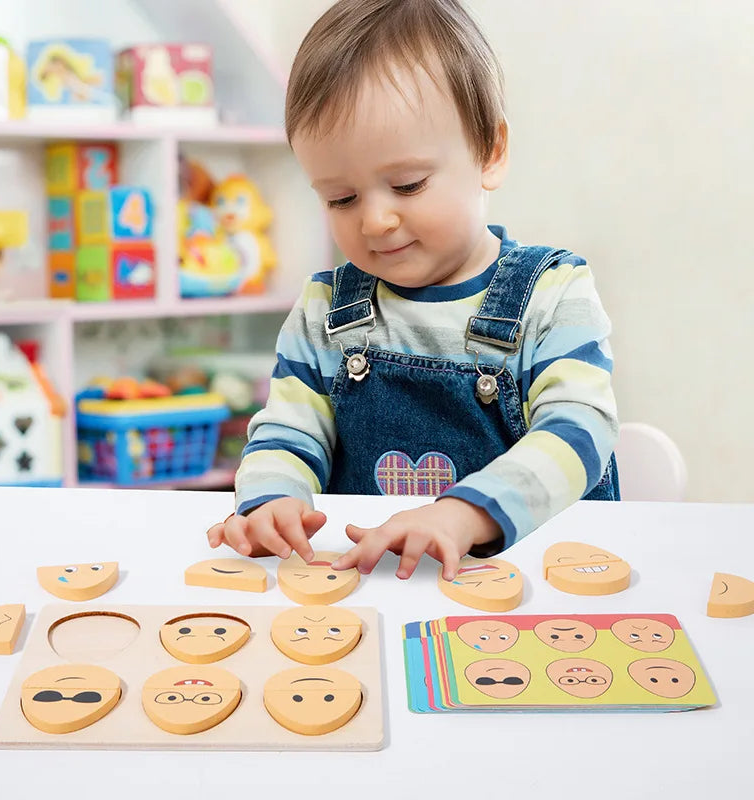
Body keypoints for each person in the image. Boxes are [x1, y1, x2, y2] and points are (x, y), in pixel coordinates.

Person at [206, 0, 619, 581]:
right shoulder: (324, 311)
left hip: (535, 589)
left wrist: (464, 513)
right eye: (340, 199)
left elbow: (580, 431)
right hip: (376, 588)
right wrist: (271, 500)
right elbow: (286, 432)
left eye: (407, 185)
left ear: (490, 153)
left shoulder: (553, 294)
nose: (374, 221)